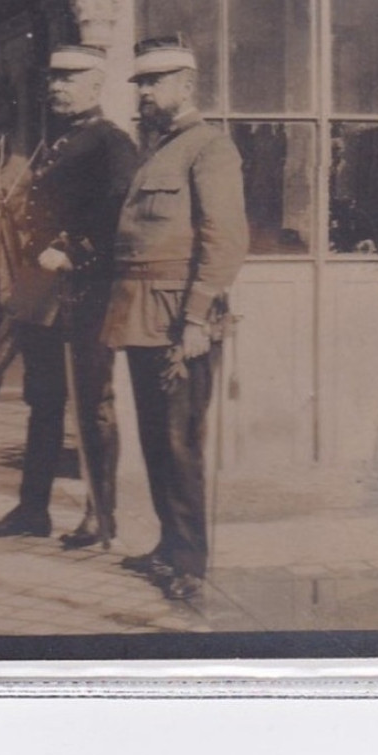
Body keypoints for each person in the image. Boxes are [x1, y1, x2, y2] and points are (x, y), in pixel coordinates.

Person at [0, 44, 137, 549]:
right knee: (43, 402)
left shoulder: (112, 143)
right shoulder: (59, 142)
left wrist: (76, 254)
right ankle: (32, 509)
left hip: (89, 291)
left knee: (94, 403)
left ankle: (99, 516)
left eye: (70, 78)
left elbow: (121, 217)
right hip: (45, 294)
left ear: (96, 84)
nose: (57, 86)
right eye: (54, 78)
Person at [104, 36, 247, 602]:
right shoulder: (157, 149)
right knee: (155, 438)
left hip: (179, 319)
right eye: (139, 82)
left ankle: (191, 563)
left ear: (186, 85)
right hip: (141, 314)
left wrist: (194, 319)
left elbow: (224, 239)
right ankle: (167, 546)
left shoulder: (209, 148)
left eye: (153, 82)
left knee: (181, 441)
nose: (142, 92)